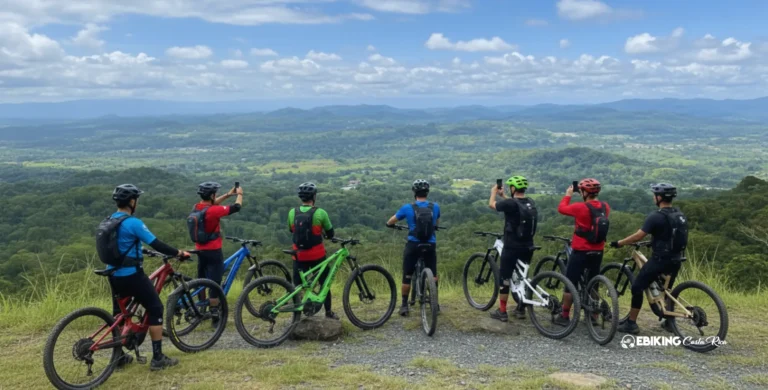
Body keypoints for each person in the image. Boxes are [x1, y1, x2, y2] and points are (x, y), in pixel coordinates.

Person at [106, 184, 190, 370]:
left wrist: (140, 249)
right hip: (131, 276)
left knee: (119, 315)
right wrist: (178, 253)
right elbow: (157, 243)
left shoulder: (110, 220)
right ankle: (158, 358)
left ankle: (118, 356)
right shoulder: (133, 223)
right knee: (155, 307)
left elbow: (122, 245)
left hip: (112, 274)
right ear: (132, 201)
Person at [611, 183, 687, 335]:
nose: (654, 197)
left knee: (637, 287)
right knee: (666, 291)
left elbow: (639, 235)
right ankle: (669, 321)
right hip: (677, 259)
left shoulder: (656, 216)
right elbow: (668, 236)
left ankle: (631, 324)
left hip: (660, 260)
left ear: (659, 198)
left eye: (655, 195)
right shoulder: (679, 215)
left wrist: (620, 243)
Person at [555, 178, 610, 326]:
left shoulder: (580, 207)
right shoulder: (605, 207)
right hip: (598, 250)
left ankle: (565, 315)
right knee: (593, 282)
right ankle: (593, 316)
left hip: (581, 250)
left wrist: (568, 194)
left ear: (584, 192)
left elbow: (561, 208)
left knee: (570, 282)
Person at [386, 179, 441, 317]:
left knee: (407, 275)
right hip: (430, 244)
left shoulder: (407, 208)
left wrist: (390, 225)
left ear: (414, 193)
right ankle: (435, 302)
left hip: (413, 244)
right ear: (427, 192)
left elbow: (390, 221)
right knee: (433, 275)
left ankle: (404, 305)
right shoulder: (435, 207)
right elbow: (436, 224)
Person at [488, 176, 538, 322]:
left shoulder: (510, 204)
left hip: (512, 246)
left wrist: (493, 192)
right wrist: (503, 195)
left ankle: (502, 311)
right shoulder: (530, 202)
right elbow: (514, 205)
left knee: (505, 278)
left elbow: (492, 205)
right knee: (522, 278)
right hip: (528, 245)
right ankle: (521, 309)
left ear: (513, 188)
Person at [192, 182, 243, 326]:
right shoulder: (214, 211)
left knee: (201, 279)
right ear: (212, 195)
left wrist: (228, 194)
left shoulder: (197, 207)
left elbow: (213, 204)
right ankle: (214, 313)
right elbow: (236, 207)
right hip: (213, 250)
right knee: (215, 283)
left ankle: (200, 308)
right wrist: (239, 194)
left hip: (199, 249)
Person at [288, 182, 338, 319]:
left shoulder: (292, 212)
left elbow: (291, 230)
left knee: (297, 286)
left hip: (298, 256)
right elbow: (330, 233)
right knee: (325, 283)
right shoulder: (321, 213)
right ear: (314, 196)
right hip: (317, 256)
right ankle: (328, 312)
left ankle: (295, 315)